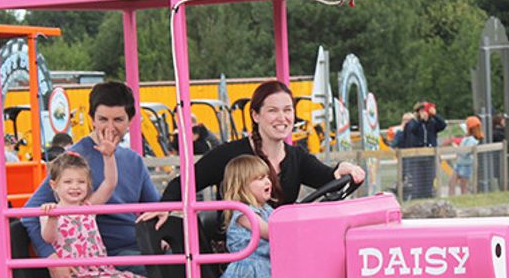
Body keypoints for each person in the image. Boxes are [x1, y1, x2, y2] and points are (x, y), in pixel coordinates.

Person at [137, 80, 365, 230]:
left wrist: (344, 168)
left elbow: (328, 179)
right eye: (273, 111)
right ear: (255, 115)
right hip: (243, 250)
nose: (282, 118)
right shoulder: (230, 154)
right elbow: (184, 183)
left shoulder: (297, 157)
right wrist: (165, 206)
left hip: (282, 242)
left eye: (287, 111)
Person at [23, 81, 161, 278]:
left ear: (130, 121)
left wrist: (163, 221)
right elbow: (29, 213)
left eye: (118, 120)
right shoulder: (72, 162)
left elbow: (156, 207)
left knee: (192, 259)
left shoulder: (133, 160)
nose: (109, 127)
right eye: (102, 119)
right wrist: (53, 261)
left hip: (139, 246)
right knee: (163, 272)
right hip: (102, 257)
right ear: (91, 120)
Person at [39, 152, 153, 278]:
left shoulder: (88, 208)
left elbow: (110, 184)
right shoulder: (50, 211)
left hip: (100, 271)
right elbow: (48, 237)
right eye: (68, 182)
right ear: (54, 185)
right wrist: (52, 218)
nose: (75, 186)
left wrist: (109, 157)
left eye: (81, 182)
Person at [200, 155, 275, 278]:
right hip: (251, 272)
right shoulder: (245, 214)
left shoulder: (267, 209)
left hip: (268, 264)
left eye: (267, 176)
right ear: (241, 186)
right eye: (260, 178)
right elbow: (272, 232)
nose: (268, 181)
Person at [400, 101, 447, 200]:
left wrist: (434, 115)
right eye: (421, 111)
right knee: (417, 178)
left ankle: (429, 195)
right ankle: (417, 197)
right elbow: (413, 130)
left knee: (430, 178)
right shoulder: (412, 123)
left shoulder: (432, 123)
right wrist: (421, 120)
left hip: (430, 155)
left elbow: (443, 125)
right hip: (417, 156)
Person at [453, 116, 483, 196]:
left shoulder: (473, 140)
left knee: (463, 186)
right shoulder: (466, 138)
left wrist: (456, 148)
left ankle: (464, 200)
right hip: (459, 163)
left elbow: (465, 152)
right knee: (451, 183)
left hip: (466, 164)